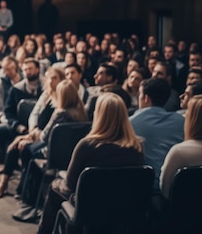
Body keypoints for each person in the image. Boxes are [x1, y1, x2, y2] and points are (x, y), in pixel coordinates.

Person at [36, 93, 145, 234]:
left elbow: (70, 185)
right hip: (125, 209)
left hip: (89, 209)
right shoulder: (138, 146)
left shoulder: (87, 145)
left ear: (98, 115)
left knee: (55, 186)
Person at [159, 95, 202, 198]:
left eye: (187, 114)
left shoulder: (178, 152)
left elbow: (166, 191)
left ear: (193, 120)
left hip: (183, 212)